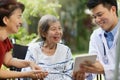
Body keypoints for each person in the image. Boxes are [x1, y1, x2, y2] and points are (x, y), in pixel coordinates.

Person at [0, 0, 48, 79]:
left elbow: (8, 61)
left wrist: (29, 63)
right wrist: (27, 74)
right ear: (6, 20)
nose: (21, 22)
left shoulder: (5, 40)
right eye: (18, 17)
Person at [73, 0, 120, 80]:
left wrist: (104, 69)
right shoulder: (95, 36)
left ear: (113, 10)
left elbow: (101, 68)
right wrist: (84, 73)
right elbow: (93, 64)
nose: (97, 20)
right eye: (94, 17)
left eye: (100, 15)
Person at [21, 14, 73, 80]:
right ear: (43, 33)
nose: (58, 32)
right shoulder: (33, 49)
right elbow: (26, 74)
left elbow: (69, 74)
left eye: (59, 28)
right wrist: (35, 77)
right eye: (53, 29)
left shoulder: (66, 50)